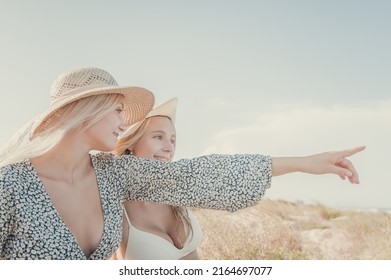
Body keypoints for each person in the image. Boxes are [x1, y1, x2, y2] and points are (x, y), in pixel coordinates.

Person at [0, 66, 365, 260]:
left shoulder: (112, 176)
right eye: (116, 111)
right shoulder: (9, 185)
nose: (124, 123)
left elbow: (197, 175)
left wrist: (305, 162)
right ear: (85, 111)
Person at [112, 97, 202, 260]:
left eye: (172, 140)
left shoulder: (177, 194)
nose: (169, 148)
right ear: (132, 142)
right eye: (158, 137)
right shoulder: (114, 203)